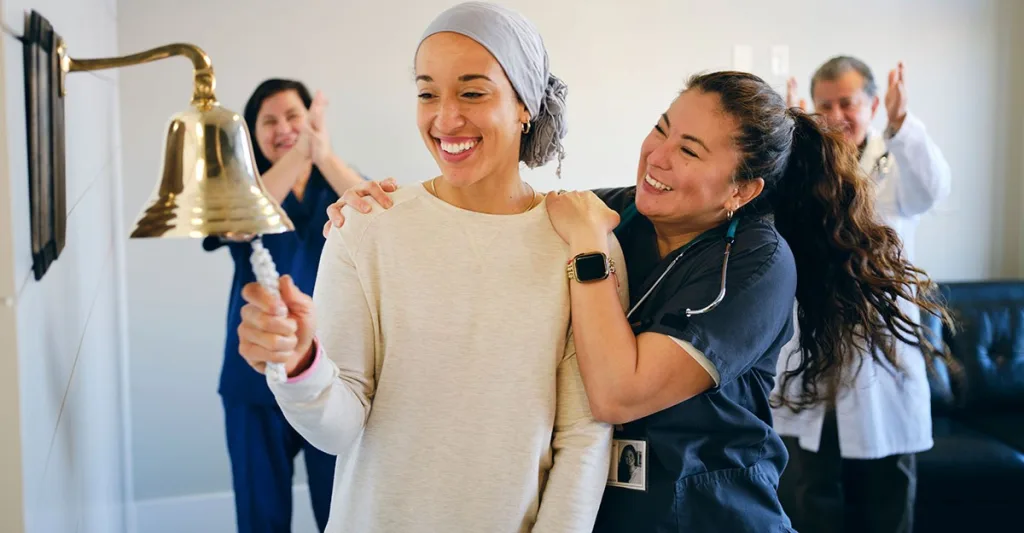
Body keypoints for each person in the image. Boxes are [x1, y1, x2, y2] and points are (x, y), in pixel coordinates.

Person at [324, 69, 953, 532]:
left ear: (740, 190)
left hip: (704, 510)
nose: (657, 156)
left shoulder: (759, 263)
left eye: (689, 150)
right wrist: (372, 208)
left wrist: (590, 254)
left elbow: (617, 392)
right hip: (610, 505)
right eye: (661, 128)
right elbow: (494, 217)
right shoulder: (620, 210)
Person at [233, 3, 623, 532]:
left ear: (525, 105)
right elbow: (338, 429)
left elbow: (582, 435)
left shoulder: (578, 242)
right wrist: (301, 361)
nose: (444, 118)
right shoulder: (368, 225)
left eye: (472, 91)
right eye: (426, 93)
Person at [776, 56, 952, 533]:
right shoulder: (805, 170)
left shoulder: (895, 165)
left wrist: (900, 123)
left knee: (887, 499)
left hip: (882, 357)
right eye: (824, 105)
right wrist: (796, 139)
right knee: (814, 495)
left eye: (848, 103)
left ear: (873, 103)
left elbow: (933, 189)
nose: (836, 116)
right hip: (817, 352)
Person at [201, 78, 367, 533]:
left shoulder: (336, 182)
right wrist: (300, 152)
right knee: (261, 516)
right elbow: (236, 220)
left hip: (327, 375)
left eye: (294, 116)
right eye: (269, 121)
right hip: (255, 379)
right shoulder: (243, 189)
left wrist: (321, 153)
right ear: (252, 135)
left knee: (338, 511)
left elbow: (381, 219)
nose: (283, 128)